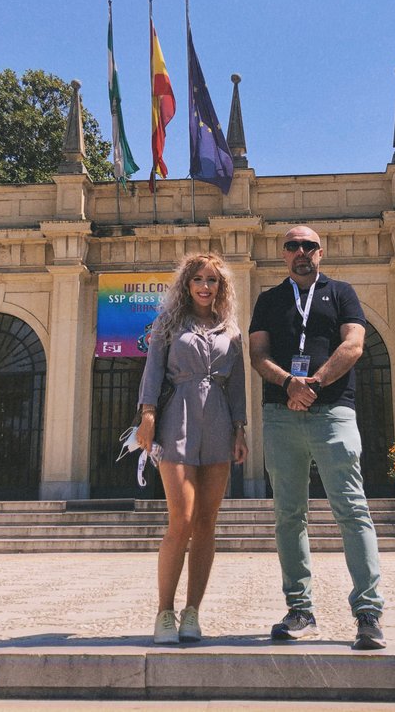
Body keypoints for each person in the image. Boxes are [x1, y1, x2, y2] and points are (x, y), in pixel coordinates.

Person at [248, 224, 386, 650]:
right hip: (281, 415)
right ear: (283, 254)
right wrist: (289, 383)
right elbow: (257, 353)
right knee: (289, 515)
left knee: (353, 510)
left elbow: (354, 344)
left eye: (309, 245)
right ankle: (300, 611)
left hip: (334, 413)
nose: (301, 251)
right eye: (293, 245)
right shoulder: (269, 300)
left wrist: (315, 384)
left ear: (320, 252)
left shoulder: (341, 292)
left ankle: (368, 614)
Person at [136, 252, 248, 645]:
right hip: (177, 419)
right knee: (181, 519)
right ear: (187, 284)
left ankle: (192, 612)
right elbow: (153, 370)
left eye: (212, 280)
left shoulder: (230, 330)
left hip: (218, 421)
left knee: (206, 523)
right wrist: (147, 414)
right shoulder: (168, 324)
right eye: (198, 279)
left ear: (221, 287)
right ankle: (164, 612)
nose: (205, 286)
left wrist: (239, 430)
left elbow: (237, 384)